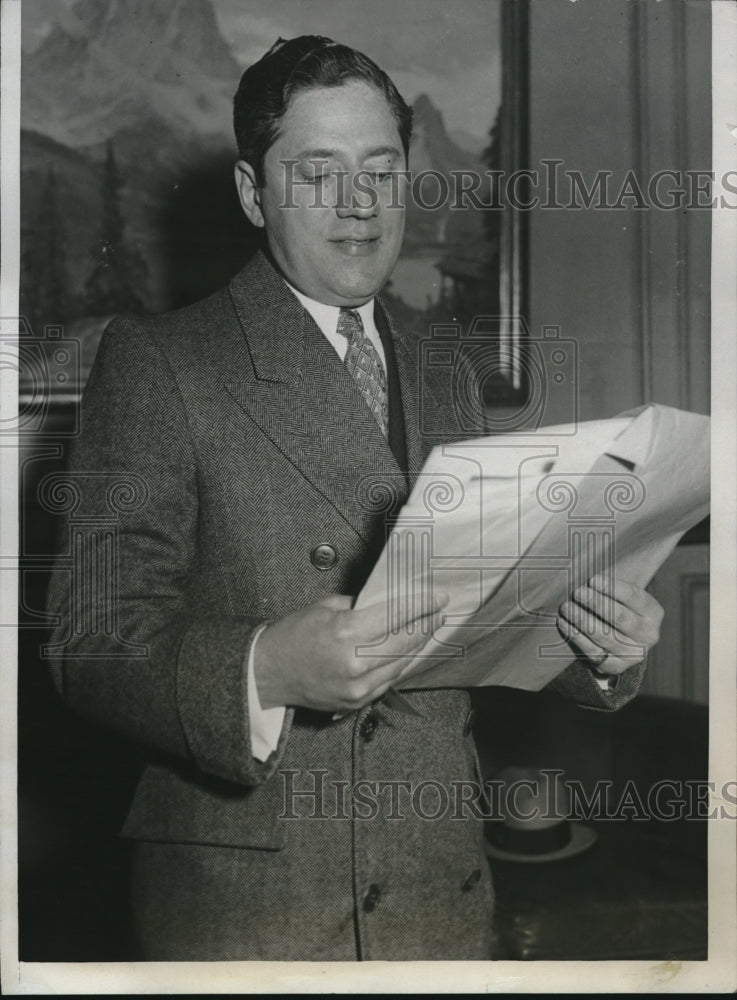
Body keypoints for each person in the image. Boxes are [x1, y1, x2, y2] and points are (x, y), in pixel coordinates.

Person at [46, 35, 663, 961]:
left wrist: (595, 647)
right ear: (256, 194)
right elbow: (89, 642)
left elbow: (480, 613)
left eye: (381, 169)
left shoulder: (446, 369)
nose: (357, 205)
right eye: (318, 173)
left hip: (436, 894)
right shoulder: (161, 364)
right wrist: (264, 669)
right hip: (251, 911)